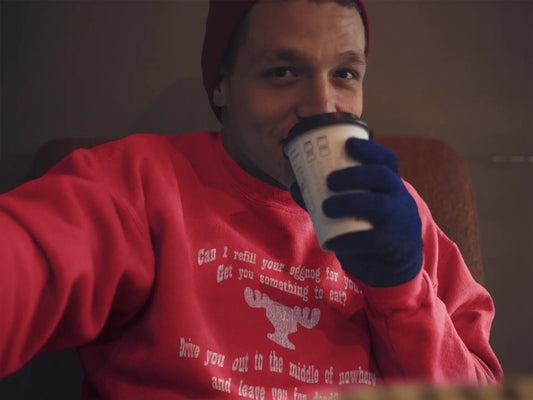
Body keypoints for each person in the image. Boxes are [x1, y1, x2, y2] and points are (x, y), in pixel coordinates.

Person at [0, 0, 502, 398]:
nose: (321, 106)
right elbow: (25, 260)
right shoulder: (143, 182)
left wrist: (402, 291)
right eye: (283, 72)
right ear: (222, 84)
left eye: (345, 74)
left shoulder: (398, 212)